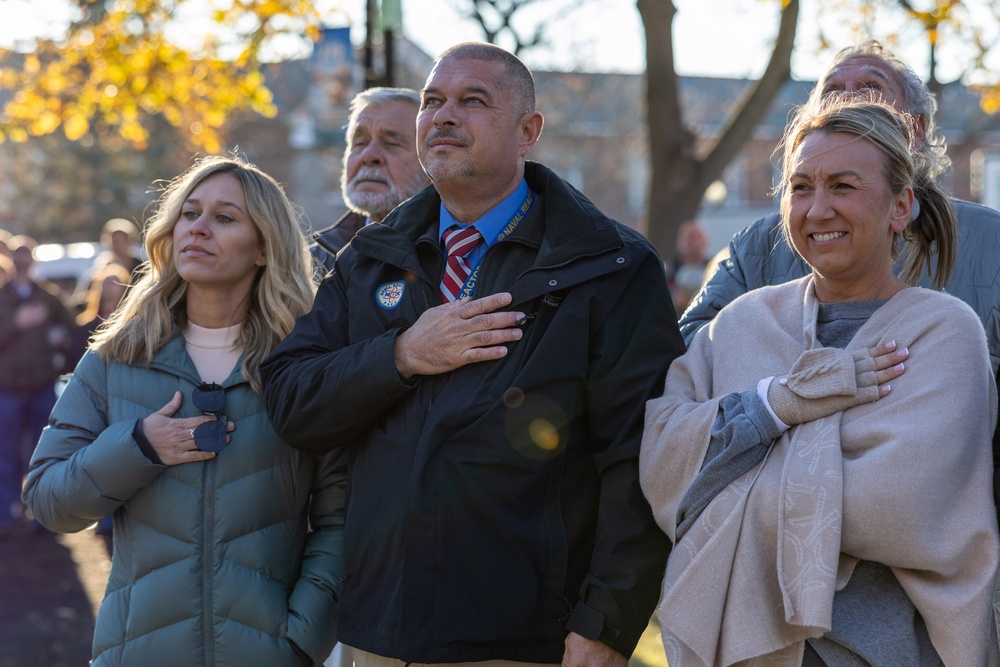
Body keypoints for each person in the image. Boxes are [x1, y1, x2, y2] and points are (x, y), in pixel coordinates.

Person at [262, 42, 685, 667]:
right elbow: (291, 399)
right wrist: (401, 354)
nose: (444, 116)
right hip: (379, 631)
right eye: (433, 101)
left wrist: (606, 622)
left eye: (473, 101)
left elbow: (641, 458)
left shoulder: (608, 267)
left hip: (522, 638)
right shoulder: (370, 257)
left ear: (528, 131)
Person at [641, 96, 999, 665]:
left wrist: (734, 459)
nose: (817, 208)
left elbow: (896, 507)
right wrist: (774, 404)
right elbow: (663, 463)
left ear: (900, 205)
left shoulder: (943, 333)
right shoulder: (740, 325)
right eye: (800, 187)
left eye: (843, 185)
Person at [22, 155, 347, 667]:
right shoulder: (114, 359)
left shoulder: (302, 367)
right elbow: (48, 500)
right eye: (189, 213)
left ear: (264, 247)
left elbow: (342, 520)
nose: (197, 228)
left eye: (224, 217)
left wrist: (301, 642)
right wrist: (139, 447)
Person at [0, 234, 78, 537]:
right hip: (6, 388)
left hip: (42, 385)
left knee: (42, 454)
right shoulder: (1, 297)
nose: (21, 259)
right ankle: (7, 514)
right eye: (16, 254)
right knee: (5, 454)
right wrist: (17, 324)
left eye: (26, 254)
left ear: (33, 259)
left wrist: (59, 336)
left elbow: (72, 328)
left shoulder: (48, 297)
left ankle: (41, 514)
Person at [312, 87, 430, 273]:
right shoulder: (312, 265)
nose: (368, 155)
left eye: (391, 143)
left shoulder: (456, 254)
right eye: (359, 143)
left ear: (431, 163)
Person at [668, 219, 711, 313]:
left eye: (695, 237)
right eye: (688, 237)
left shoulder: (714, 268)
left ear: (704, 241)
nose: (691, 242)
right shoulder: (669, 271)